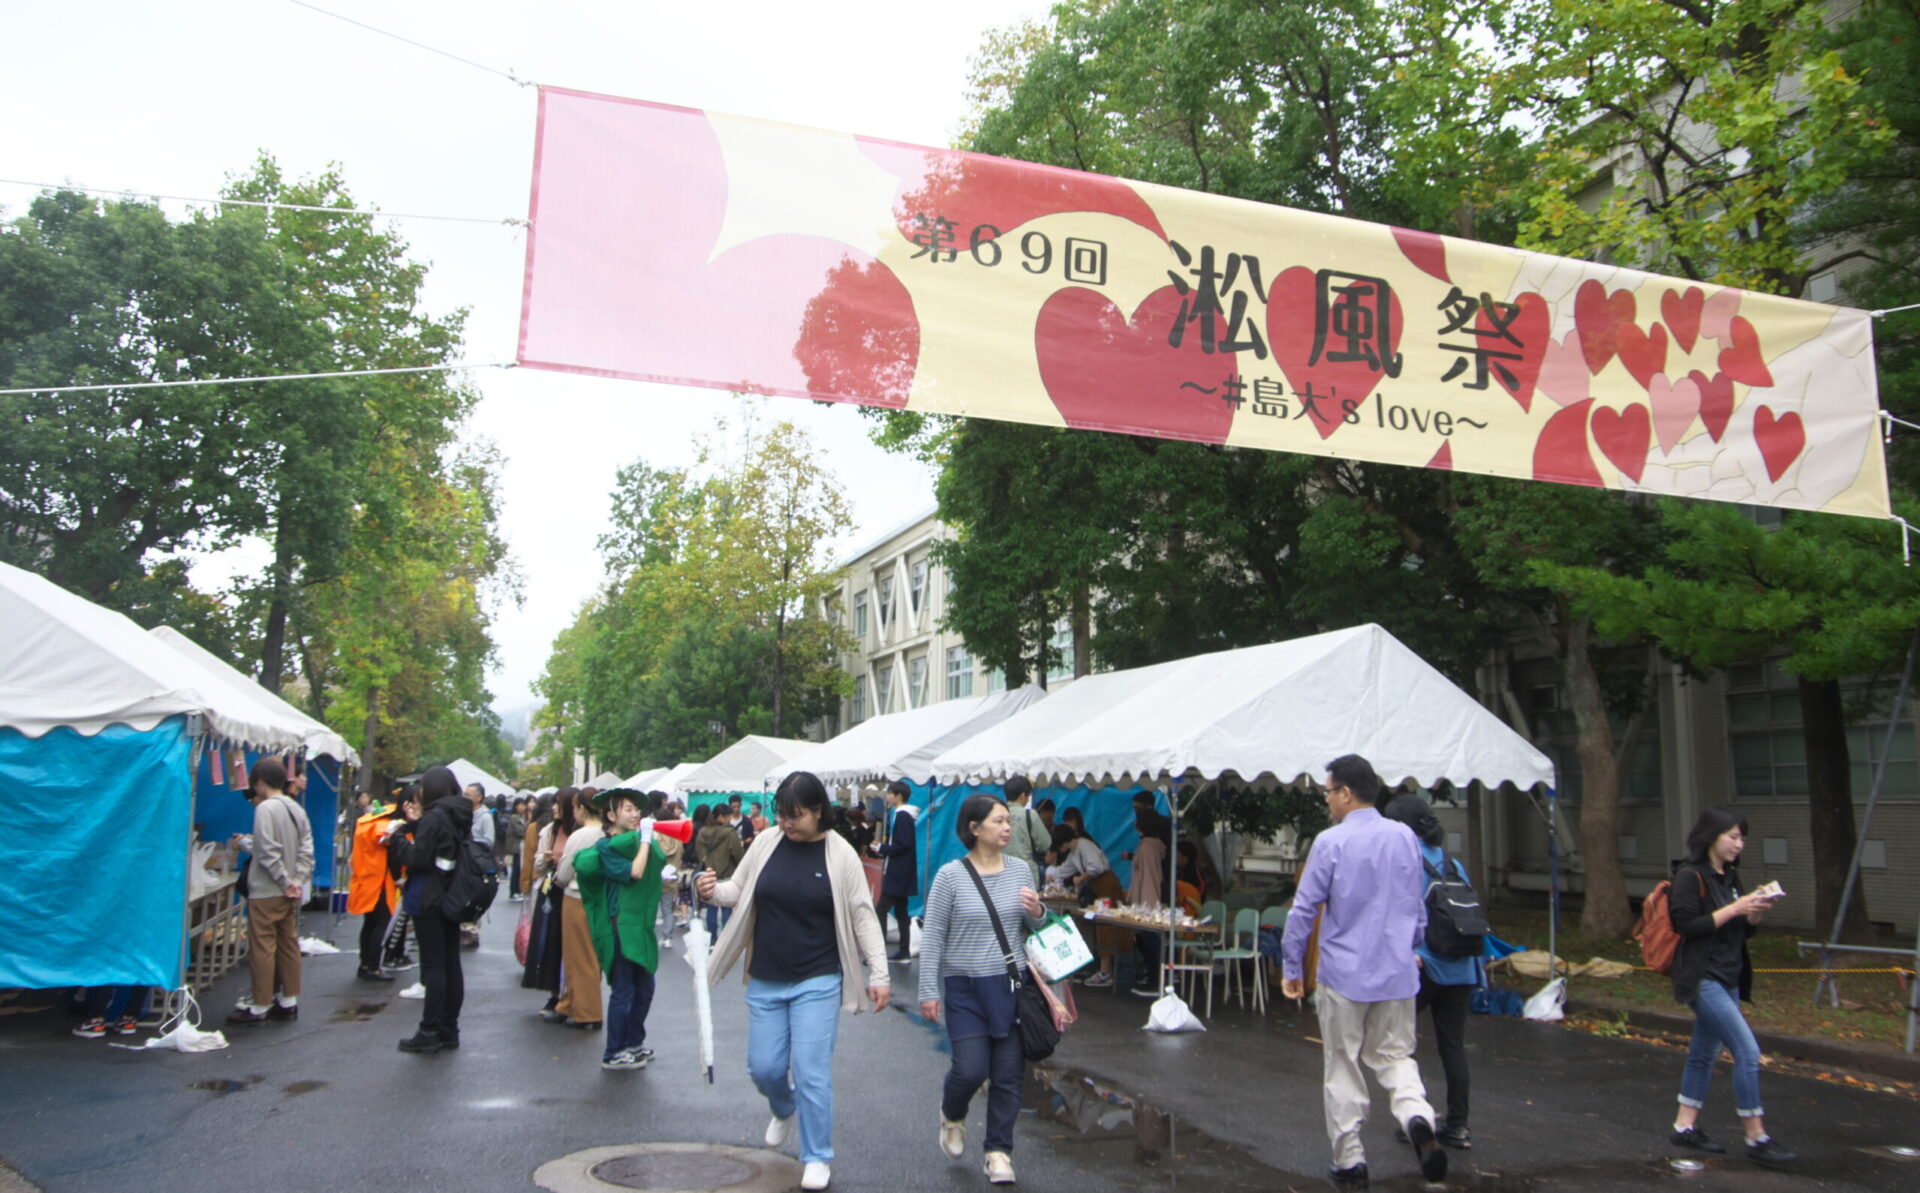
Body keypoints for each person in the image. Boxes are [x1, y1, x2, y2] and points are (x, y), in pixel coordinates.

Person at [697, 772, 891, 1193]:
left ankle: (817, 1155)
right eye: (782, 815)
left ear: (818, 810)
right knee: (763, 1067)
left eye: (796, 815)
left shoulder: (840, 854)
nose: (787, 823)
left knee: (811, 1071)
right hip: (766, 975)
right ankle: (783, 1106)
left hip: (818, 978)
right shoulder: (766, 843)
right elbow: (737, 891)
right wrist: (709, 890)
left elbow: (862, 915)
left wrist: (880, 973)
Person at [1280, 755, 1447, 1189]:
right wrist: (1412, 945)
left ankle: (1350, 1159)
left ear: (1346, 793)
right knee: (1395, 1057)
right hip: (1396, 972)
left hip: (1344, 974)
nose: (1328, 801)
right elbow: (1416, 902)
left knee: (1343, 1065)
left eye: (1329, 792)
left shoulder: (1330, 842)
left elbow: (1304, 909)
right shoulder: (1405, 838)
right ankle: (1417, 1117)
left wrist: (1292, 964)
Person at [918, 794, 1048, 1185]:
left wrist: (1038, 912)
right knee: (971, 1068)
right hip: (965, 987)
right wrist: (928, 990)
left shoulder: (1022, 871)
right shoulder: (950, 876)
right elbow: (934, 936)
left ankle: (998, 1152)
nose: (1007, 827)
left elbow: (1035, 929)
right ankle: (952, 1113)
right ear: (974, 829)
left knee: (1009, 1076)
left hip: (1010, 985)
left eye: (1008, 820)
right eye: (998, 821)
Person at [1667, 808, 1795, 1168]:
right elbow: (1686, 925)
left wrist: (1754, 912)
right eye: (1733, 837)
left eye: (1742, 838)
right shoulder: (1689, 876)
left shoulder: (1731, 877)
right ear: (1711, 837)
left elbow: (1742, 930)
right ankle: (1757, 1136)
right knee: (1747, 1051)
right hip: (1702, 977)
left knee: (1704, 1053)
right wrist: (1736, 907)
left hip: (1730, 975)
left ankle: (1684, 1126)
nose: (1740, 844)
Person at [1383, 793, 1477, 1151]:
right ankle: (1458, 1126)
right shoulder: (1453, 864)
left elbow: (1399, 915)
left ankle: (1416, 1117)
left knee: (1398, 1043)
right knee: (1453, 1048)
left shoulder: (1406, 861)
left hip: (1425, 965)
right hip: (1463, 967)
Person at [574, 788, 670, 1071]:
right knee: (624, 989)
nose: (635, 814)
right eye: (627, 809)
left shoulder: (632, 842)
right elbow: (635, 872)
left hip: (638, 925)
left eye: (636, 809)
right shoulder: (607, 847)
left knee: (645, 987)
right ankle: (613, 1051)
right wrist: (644, 840)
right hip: (619, 924)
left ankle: (633, 1043)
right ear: (611, 815)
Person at [387, 766, 474, 1053]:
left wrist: (397, 838)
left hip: (429, 897)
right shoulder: (459, 814)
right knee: (450, 963)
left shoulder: (435, 817)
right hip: (451, 896)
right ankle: (449, 1028)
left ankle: (429, 1029)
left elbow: (418, 858)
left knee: (434, 965)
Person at [227, 757, 315, 1025]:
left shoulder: (265, 809)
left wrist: (283, 878)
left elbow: (266, 850)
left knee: (263, 946)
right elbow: (307, 848)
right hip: (290, 890)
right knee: (288, 943)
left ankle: (260, 1003)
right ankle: (288, 999)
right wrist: (297, 879)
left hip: (268, 889)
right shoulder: (296, 808)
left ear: (260, 782)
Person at [552, 786, 608, 1030]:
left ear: (583, 809)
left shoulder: (581, 835)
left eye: (575, 807)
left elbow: (565, 872)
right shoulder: (610, 833)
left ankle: (587, 1011)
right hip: (603, 898)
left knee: (579, 956)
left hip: (577, 897)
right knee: (591, 954)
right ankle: (570, 1004)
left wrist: (556, 880)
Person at [349, 796, 403, 982]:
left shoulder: (365, 825)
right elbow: (390, 841)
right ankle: (373, 966)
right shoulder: (382, 828)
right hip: (379, 881)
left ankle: (365, 964)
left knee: (370, 923)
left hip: (366, 880)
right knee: (381, 922)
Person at [868, 780, 919, 962]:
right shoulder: (904, 815)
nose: (887, 797)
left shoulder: (902, 816)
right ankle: (903, 951)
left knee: (881, 910)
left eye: (890, 793)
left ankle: (878, 952)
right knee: (901, 911)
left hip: (898, 873)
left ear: (899, 796)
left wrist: (882, 848)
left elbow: (902, 845)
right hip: (902, 872)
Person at [1124, 807, 1169, 998]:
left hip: (1148, 902)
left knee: (1151, 942)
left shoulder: (1148, 847)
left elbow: (1150, 877)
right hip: (1146, 900)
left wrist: (1147, 905)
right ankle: (1154, 978)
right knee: (1147, 940)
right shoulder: (1149, 846)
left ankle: (1155, 981)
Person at [697, 802, 747, 938]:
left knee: (711, 909)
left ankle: (712, 939)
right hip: (726, 875)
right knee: (726, 909)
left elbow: (699, 852)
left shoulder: (703, 832)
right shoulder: (730, 833)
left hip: (708, 875)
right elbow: (738, 855)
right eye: (728, 816)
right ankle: (725, 939)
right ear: (722, 816)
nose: (730, 819)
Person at [461, 783, 494, 948]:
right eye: (464, 794)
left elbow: (489, 841)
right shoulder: (463, 813)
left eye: (469, 794)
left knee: (474, 897)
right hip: (463, 863)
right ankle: (463, 930)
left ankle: (472, 933)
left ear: (479, 797)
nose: (465, 797)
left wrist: (471, 842)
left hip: (476, 864)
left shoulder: (485, 817)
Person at [1001, 775, 1047, 886]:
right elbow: (1044, 845)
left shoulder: (997, 815)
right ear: (1022, 796)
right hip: (1026, 874)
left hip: (1001, 874)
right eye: (1028, 796)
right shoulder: (1030, 815)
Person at [506, 797, 530, 901]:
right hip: (517, 846)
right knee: (516, 869)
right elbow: (520, 831)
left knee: (518, 868)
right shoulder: (514, 818)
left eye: (524, 804)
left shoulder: (522, 817)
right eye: (520, 804)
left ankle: (517, 891)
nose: (522, 807)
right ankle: (514, 891)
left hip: (521, 846)